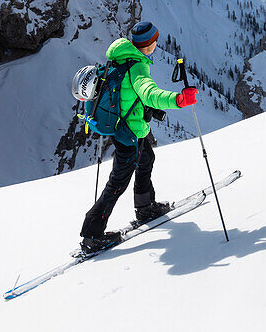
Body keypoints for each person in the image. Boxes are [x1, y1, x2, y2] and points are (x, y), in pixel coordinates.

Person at [80, 20, 198, 252]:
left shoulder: (120, 58)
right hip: (129, 134)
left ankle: (145, 207)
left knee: (146, 160)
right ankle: (91, 236)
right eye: (155, 41)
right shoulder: (137, 67)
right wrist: (179, 99)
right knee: (117, 184)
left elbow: (128, 95)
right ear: (150, 44)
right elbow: (148, 93)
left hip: (129, 128)